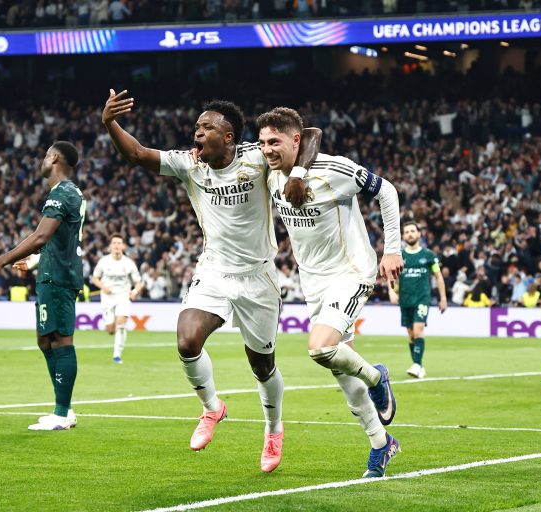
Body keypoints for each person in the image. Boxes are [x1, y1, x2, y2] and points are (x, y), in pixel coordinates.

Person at [102, 90, 317, 472]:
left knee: (262, 366)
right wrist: (110, 123)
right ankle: (211, 407)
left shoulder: (256, 157)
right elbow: (137, 153)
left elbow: (311, 135)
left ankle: (273, 429)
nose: (197, 133)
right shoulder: (190, 164)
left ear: (228, 136)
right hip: (214, 272)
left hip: (258, 277)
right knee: (187, 340)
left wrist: (297, 174)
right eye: (197, 127)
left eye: (206, 127)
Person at [257, 107, 403, 478]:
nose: (267, 149)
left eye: (274, 142)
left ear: (295, 140)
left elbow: (386, 191)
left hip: (350, 271)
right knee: (342, 374)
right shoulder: (269, 172)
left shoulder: (334, 169)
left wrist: (392, 249)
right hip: (313, 281)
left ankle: (377, 377)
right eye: (262, 142)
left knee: (320, 348)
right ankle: (381, 443)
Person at [0, 141, 86, 430]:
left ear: (54, 158)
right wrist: (37, 261)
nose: (42, 160)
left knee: (61, 340)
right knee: (45, 340)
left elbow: (41, 236)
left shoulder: (62, 192)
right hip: (51, 272)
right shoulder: (67, 192)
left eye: (45, 155)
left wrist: (1, 261)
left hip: (59, 277)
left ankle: (62, 414)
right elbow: (61, 240)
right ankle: (64, 409)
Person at [388, 222, 447, 380]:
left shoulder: (428, 255)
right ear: (403, 236)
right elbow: (391, 276)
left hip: (422, 299)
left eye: (413, 231)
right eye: (407, 232)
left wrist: (443, 298)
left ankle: (416, 364)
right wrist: (391, 292)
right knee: (411, 334)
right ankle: (419, 366)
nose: (410, 234)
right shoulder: (400, 256)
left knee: (418, 329)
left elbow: (438, 276)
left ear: (419, 234)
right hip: (405, 300)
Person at [91, 234, 143, 364]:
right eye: (114, 243)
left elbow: (139, 282)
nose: (116, 245)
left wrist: (134, 292)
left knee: (121, 322)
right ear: (110, 246)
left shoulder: (129, 263)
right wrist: (103, 287)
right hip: (107, 297)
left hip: (123, 296)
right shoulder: (104, 261)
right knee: (110, 330)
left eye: (119, 243)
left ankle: (117, 355)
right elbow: (94, 278)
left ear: (123, 246)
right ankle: (116, 327)